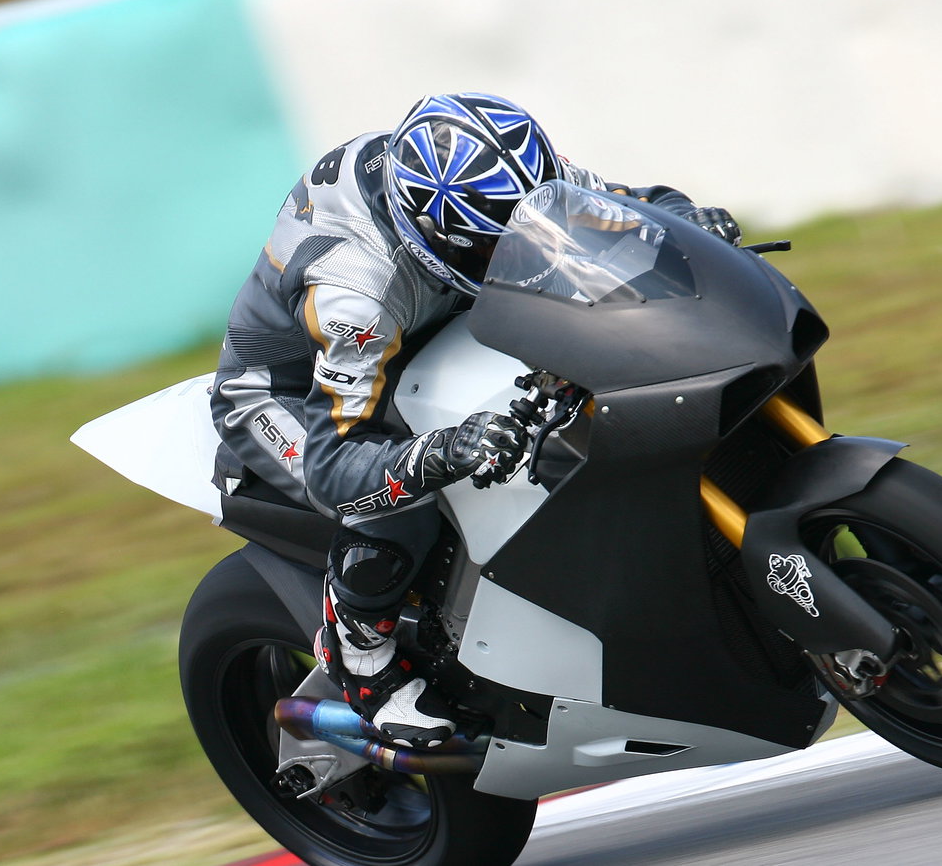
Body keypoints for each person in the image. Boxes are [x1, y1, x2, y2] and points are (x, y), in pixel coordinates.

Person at [211, 92, 742, 748]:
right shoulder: (358, 292)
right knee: (398, 496)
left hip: (421, 332)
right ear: (436, 240)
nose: (513, 253)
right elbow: (335, 463)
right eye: (495, 251)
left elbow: (628, 211)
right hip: (281, 397)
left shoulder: (503, 183)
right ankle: (360, 650)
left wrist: (689, 226)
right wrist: (441, 451)